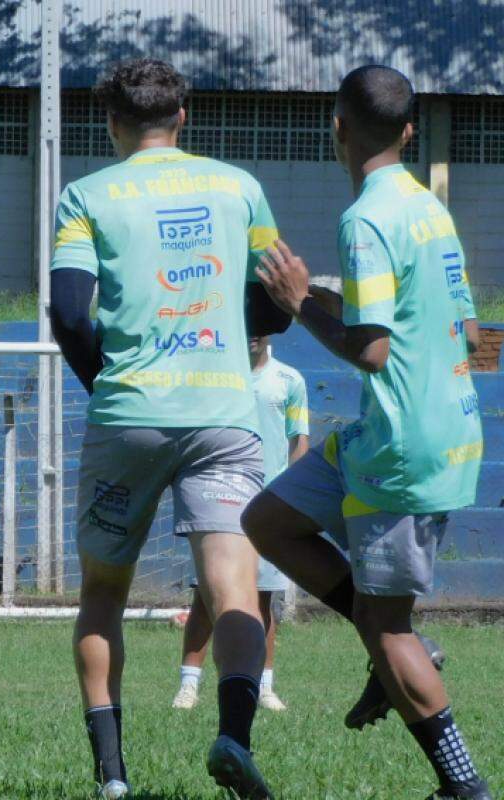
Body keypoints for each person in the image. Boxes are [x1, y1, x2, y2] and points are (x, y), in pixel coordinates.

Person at [244, 65, 492, 800]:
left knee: (387, 630)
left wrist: (298, 306)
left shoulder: (365, 219)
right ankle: (402, 647)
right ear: (411, 131)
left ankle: (464, 785)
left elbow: (373, 348)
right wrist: (328, 298)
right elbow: (469, 330)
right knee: (268, 520)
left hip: (403, 444)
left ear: (337, 127)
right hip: (415, 425)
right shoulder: (428, 207)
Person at [49, 58, 284, 799]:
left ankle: (113, 778)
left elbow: (67, 312)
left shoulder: (85, 194)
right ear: (183, 117)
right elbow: (274, 306)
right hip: (223, 412)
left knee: (101, 596)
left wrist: (106, 383)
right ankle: (233, 736)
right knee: (234, 591)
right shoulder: (239, 187)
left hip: (130, 415)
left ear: (112, 122)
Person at [173, 335, 309, 712]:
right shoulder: (218, 376)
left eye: (262, 326)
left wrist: (294, 496)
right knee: (206, 596)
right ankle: (188, 685)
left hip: (269, 503)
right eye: (247, 324)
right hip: (223, 494)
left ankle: (264, 686)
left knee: (263, 599)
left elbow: (299, 441)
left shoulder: (289, 381)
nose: (253, 333)